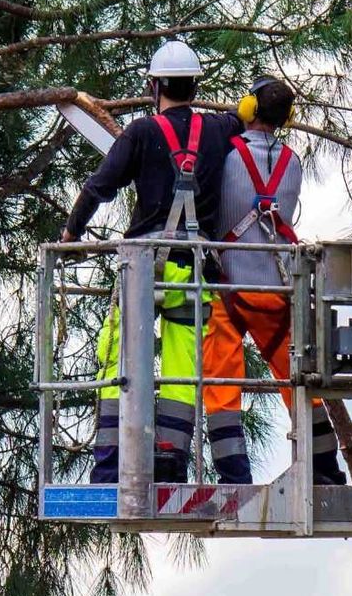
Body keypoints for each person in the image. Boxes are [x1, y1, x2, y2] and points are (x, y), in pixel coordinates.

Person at [62, 40, 243, 483]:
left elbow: (98, 187)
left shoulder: (142, 132)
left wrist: (71, 233)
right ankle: (170, 463)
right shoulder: (220, 130)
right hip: (192, 268)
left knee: (117, 358)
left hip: (143, 269)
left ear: (155, 85)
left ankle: (110, 465)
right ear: (195, 84)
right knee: (183, 367)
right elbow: (249, 112)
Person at [202, 76, 347, 485]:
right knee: (300, 384)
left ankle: (233, 475)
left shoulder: (226, 156)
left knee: (221, 381)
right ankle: (325, 469)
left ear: (248, 107)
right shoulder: (294, 163)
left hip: (229, 287)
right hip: (279, 288)